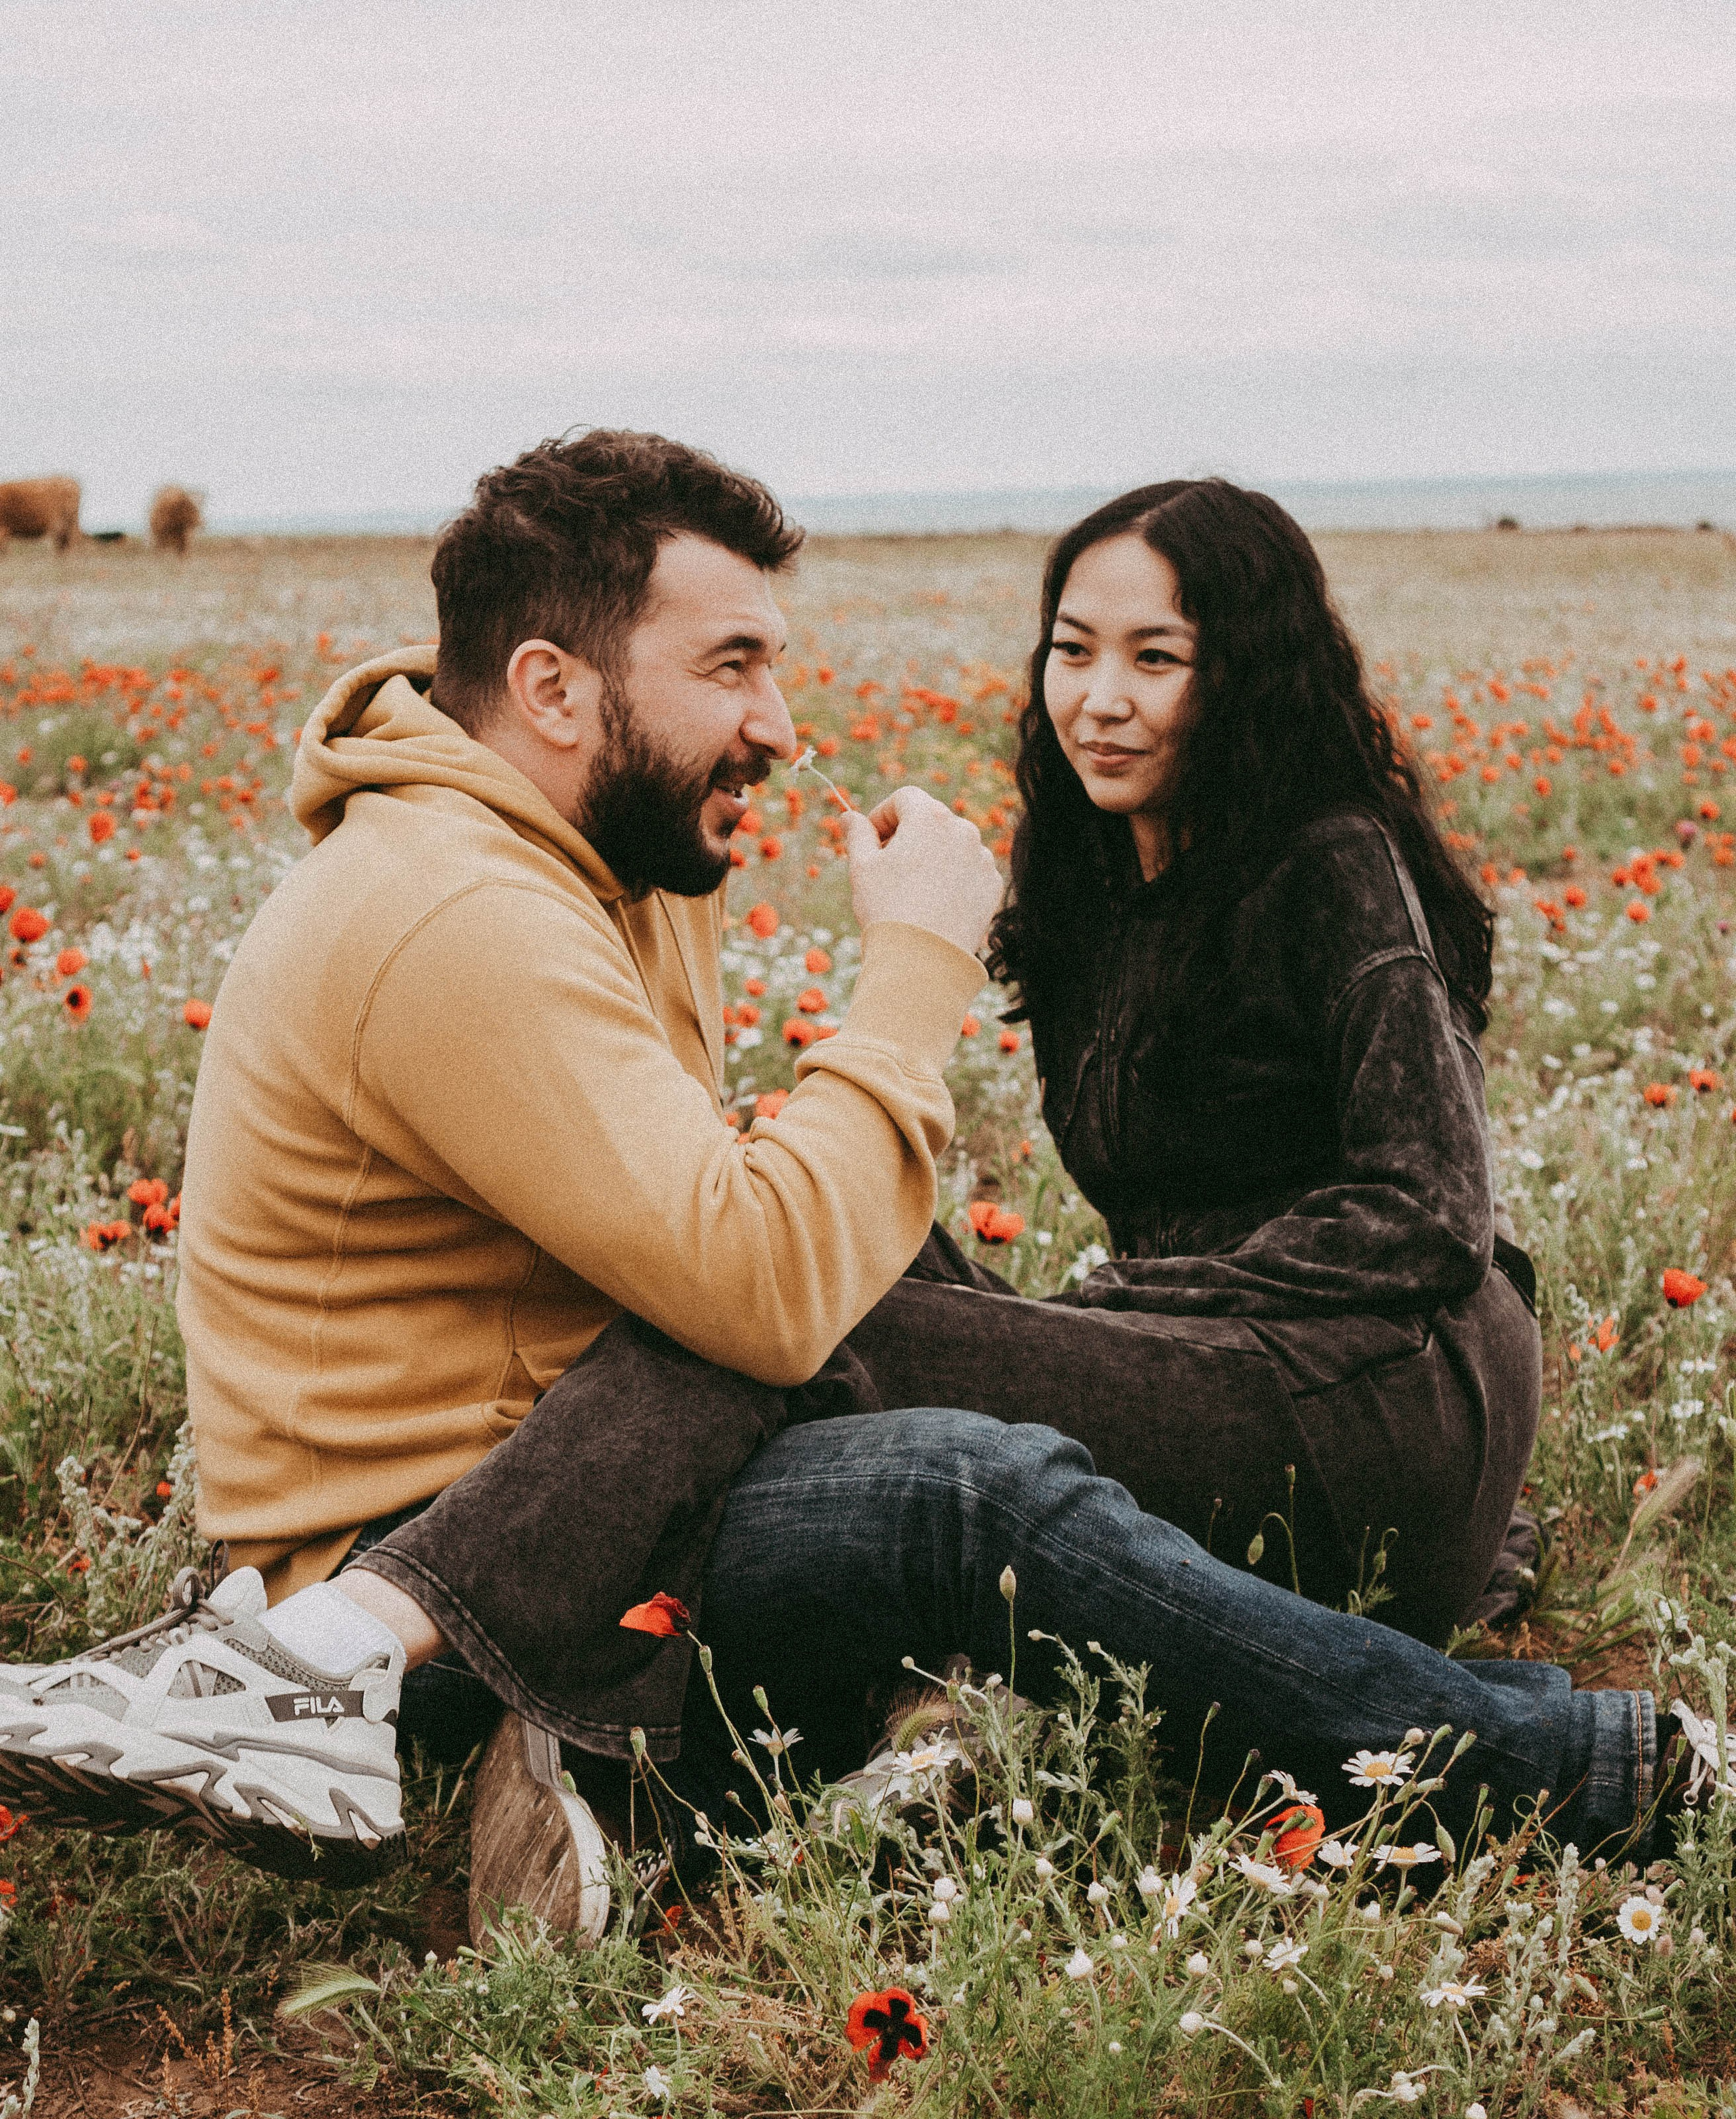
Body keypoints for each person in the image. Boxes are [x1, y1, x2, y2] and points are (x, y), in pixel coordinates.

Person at [0, 433, 1714, 1944]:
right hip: (495, 1527)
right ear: (552, 691)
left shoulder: (582, 856)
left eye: (1155, 656)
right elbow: (752, 1285)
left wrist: (1055, 1304)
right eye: (732, 666)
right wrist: (905, 977)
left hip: (573, 1490)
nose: (778, 723)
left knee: (880, 1321)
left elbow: (757, 1260)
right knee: (953, 1483)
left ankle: (517, 1725)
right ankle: (1554, 1767)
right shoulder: (465, 912)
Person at [846, 480, 1540, 1651]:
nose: (1100, 701)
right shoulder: (1085, 870)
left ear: (1244, 676)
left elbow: (1432, 1211)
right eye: (1073, 652)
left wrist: (1122, 1301)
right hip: (1206, 1370)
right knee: (810, 1225)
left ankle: (529, 1641)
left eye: (1155, 659)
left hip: (1383, 1393)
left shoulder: (1330, 860)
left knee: (830, 1324)